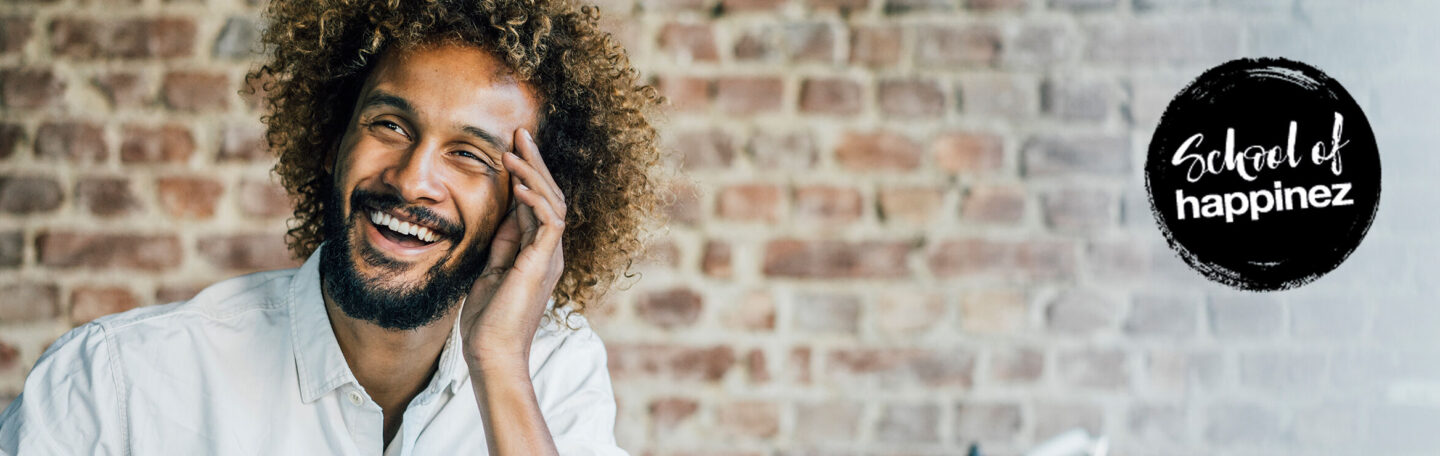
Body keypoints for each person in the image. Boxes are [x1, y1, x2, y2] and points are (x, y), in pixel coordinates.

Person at [0, 0, 661, 454]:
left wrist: (498, 365)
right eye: (390, 125)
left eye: (470, 154)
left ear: (526, 202)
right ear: (331, 142)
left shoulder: (550, 374)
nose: (410, 179)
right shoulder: (117, 385)